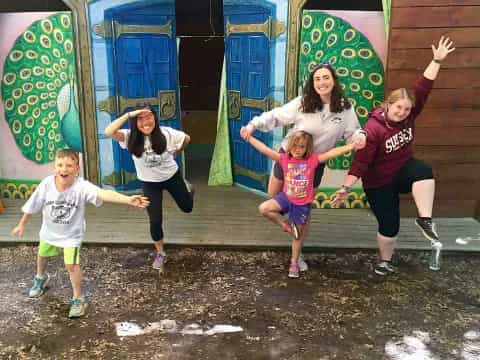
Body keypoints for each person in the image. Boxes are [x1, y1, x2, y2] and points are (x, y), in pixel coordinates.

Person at [333, 37, 455, 276]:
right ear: (387, 106)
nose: (402, 112)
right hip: (379, 183)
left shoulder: (409, 116)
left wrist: (437, 60)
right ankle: (384, 261)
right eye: (398, 107)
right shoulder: (373, 129)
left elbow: (423, 87)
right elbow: (361, 162)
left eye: (406, 109)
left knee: (423, 171)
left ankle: (425, 220)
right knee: (390, 225)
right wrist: (346, 188)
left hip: (401, 170)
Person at [241, 62, 366, 271]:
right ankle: (288, 223)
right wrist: (253, 125)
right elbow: (276, 115)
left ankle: (297, 253)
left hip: (315, 163)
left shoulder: (344, 107)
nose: (321, 82)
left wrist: (359, 137)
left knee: (303, 207)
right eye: (317, 79)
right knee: (273, 196)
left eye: (326, 77)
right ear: (312, 83)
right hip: (288, 158)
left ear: (333, 80)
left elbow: (353, 132)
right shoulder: (303, 102)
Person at [10, 149, 149, 318]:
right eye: (60, 165)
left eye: (69, 165)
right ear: (55, 168)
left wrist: (127, 199)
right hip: (49, 232)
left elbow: (103, 193)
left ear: (77, 169)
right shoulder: (46, 184)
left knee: (71, 265)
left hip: (71, 236)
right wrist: (21, 224)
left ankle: (78, 298)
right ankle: (40, 278)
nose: (64, 169)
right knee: (42, 255)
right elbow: (32, 205)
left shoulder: (82, 186)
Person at [241, 129, 361, 278]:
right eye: (295, 145)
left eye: (302, 146)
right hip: (285, 198)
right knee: (264, 208)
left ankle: (294, 263)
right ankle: (286, 226)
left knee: (297, 237)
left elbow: (331, 153)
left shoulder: (312, 160)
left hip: (302, 205)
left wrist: (352, 146)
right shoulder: (284, 158)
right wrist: (249, 137)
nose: (298, 149)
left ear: (307, 148)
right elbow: (265, 149)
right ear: (290, 145)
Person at [104, 102, 194, 271]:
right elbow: (108, 131)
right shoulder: (129, 136)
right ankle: (160, 253)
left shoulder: (167, 134)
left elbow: (186, 138)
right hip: (149, 183)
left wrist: (176, 152)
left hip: (171, 177)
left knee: (187, 208)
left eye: (149, 117)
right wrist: (129, 114)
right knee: (155, 220)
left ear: (155, 118)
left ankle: (189, 191)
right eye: (140, 118)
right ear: (134, 122)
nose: (146, 122)